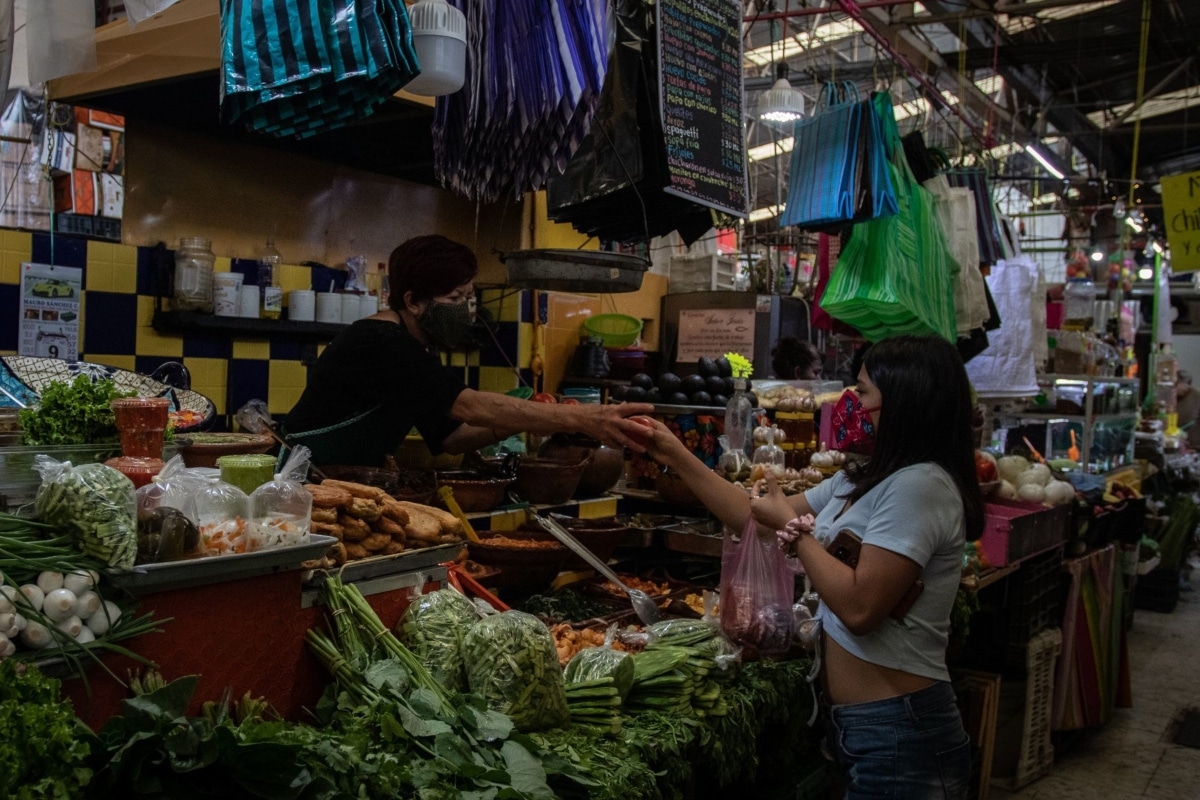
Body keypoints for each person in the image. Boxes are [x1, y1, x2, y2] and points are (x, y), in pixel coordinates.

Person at [637, 334, 983, 799]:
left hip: (902, 730)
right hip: (861, 728)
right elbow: (751, 516)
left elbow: (861, 609)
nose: (848, 402)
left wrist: (797, 536)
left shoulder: (921, 487)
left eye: (862, 392)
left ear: (905, 404)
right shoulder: (861, 477)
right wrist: (673, 453)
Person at [284, 235, 654, 466]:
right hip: (300, 479)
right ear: (412, 301)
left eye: (469, 297)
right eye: (454, 298)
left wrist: (520, 418)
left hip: (337, 478)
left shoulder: (417, 348)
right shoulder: (379, 342)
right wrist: (586, 418)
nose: (465, 308)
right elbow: (469, 405)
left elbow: (451, 438)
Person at [1175, 370, 1200, 450]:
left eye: (1178, 384)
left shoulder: (1196, 396)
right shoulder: (1171, 398)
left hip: (1194, 445)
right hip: (1176, 443)